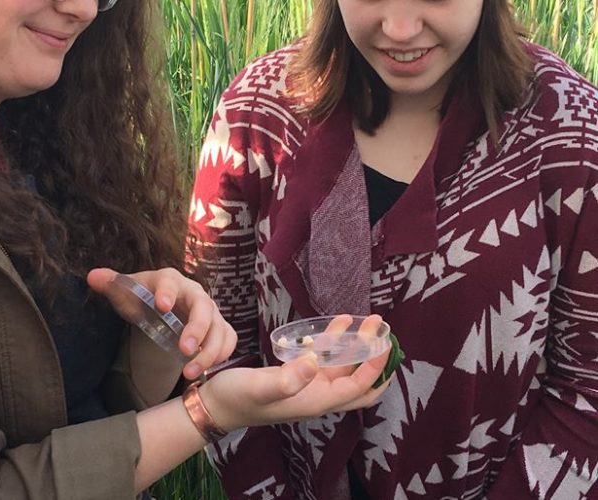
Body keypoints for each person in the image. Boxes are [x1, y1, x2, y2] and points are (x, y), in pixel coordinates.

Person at [0, 0, 394, 499]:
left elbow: (88, 414)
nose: (82, 9)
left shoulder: (40, 144)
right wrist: (206, 414)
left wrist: (157, 334)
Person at [189, 0, 598, 498]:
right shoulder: (257, 114)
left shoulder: (571, 132)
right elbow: (214, 343)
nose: (400, 29)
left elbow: (587, 391)